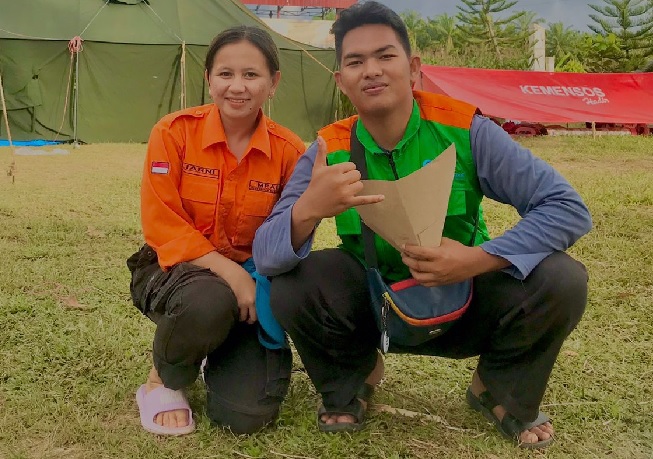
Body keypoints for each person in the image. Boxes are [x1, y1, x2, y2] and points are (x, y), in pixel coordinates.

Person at [252, 1, 591, 449]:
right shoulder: (326, 148)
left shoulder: (466, 129)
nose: (371, 70)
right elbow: (267, 256)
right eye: (355, 61)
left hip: (466, 298)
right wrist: (307, 209)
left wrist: (476, 259)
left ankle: (498, 389)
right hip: (376, 307)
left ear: (412, 67)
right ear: (341, 81)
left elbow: (567, 208)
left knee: (562, 278)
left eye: (385, 56)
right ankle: (353, 380)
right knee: (297, 282)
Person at [127, 25, 305, 436]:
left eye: (251, 75)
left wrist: (251, 281)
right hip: (174, 272)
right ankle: (162, 379)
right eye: (225, 74)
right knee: (209, 300)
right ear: (208, 79)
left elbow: (288, 232)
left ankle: (211, 349)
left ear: (273, 83)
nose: (237, 87)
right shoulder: (173, 133)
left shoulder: (290, 152)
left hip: (250, 285)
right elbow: (161, 221)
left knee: (247, 416)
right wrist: (231, 274)